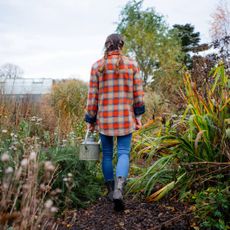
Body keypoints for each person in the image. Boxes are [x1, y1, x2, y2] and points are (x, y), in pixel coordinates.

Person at [85, 33, 145, 211]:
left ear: (106, 45)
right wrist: (138, 117)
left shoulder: (97, 66)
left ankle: (111, 192)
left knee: (107, 154)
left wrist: (90, 119)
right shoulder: (132, 65)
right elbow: (138, 95)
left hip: (105, 120)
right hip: (125, 118)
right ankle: (120, 189)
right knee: (124, 152)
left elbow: (92, 97)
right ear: (121, 45)